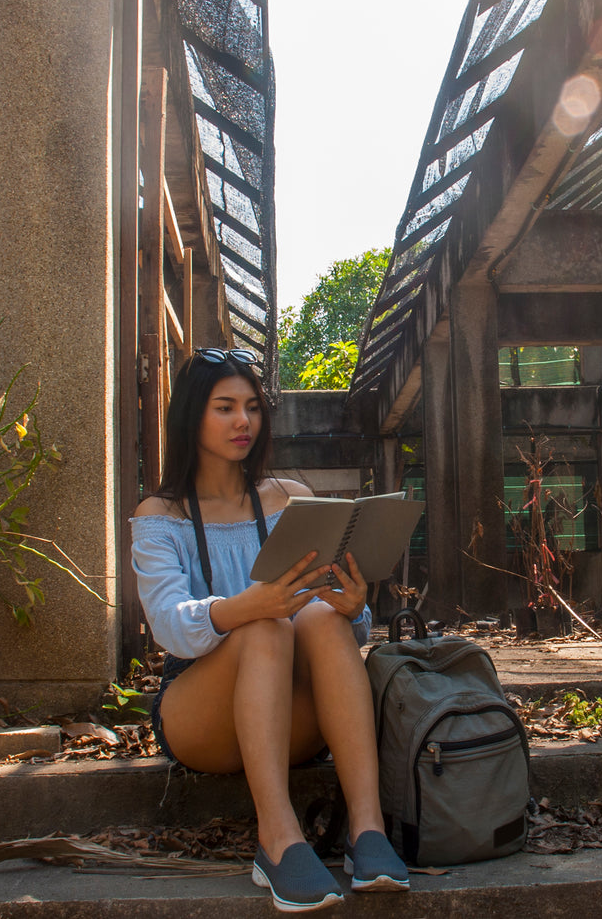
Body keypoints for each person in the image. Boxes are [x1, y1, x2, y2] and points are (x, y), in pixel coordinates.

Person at [130, 347, 409, 913]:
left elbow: (338, 624)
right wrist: (248, 607)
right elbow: (168, 625)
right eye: (225, 407)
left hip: (294, 719)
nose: (243, 423)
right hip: (200, 718)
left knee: (322, 617)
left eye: (253, 408)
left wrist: (352, 605)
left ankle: (368, 830)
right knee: (264, 628)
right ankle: (277, 841)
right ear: (191, 415)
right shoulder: (161, 514)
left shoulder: (290, 500)